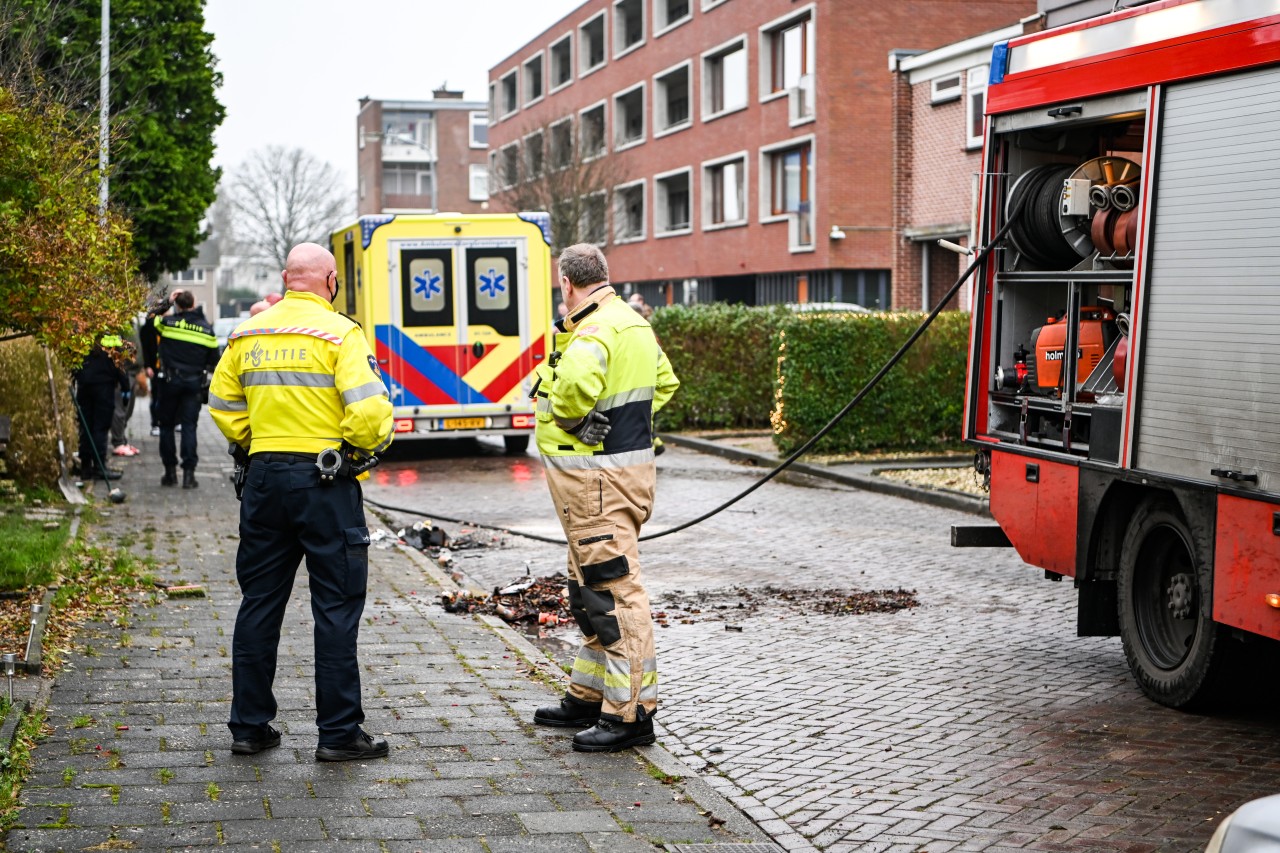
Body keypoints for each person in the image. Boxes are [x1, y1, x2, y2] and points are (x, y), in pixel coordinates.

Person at [208, 242, 394, 762]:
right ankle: (337, 735)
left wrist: (256, 440)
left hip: (264, 478)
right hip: (324, 481)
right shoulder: (339, 332)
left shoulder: (247, 333)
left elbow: (222, 404)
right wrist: (352, 449)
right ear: (330, 281)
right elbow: (369, 413)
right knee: (335, 607)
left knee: (260, 602)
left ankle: (249, 726)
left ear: (287, 278)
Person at [531, 244, 679, 753]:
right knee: (588, 588)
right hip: (618, 475)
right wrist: (625, 425)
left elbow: (570, 394)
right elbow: (664, 381)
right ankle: (591, 695)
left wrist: (572, 419)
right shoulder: (632, 322)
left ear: (566, 282)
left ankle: (631, 714)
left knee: (615, 595)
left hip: (595, 483)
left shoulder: (592, 331)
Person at [153, 290, 219, 488]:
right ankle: (189, 476)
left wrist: (167, 302)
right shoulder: (207, 330)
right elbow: (214, 360)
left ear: (178, 305)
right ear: (194, 304)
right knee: (189, 427)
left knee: (166, 427)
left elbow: (154, 316)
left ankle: (170, 473)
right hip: (193, 384)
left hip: (170, 382)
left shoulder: (168, 324)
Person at [73, 334, 128, 481]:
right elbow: (119, 363)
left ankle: (85, 467)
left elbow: (73, 360)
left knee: (86, 427)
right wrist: (125, 387)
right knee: (100, 429)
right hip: (104, 387)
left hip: (85, 386)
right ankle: (99, 466)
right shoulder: (112, 336)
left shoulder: (81, 333)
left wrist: (74, 379)